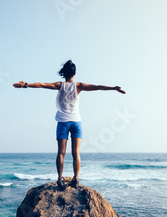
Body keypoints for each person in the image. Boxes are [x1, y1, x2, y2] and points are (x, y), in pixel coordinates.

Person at [13, 60, 126, 190]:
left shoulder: (60, 85)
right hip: (76, 122)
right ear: (75, 73)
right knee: (75, 152)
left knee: (61, 152)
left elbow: (42, 85)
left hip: (62, 123)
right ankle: (75, 179)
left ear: (63, 73)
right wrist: (113, 88)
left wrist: (26, 84)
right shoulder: (79, 86)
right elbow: (98, 87)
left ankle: (60, 179)